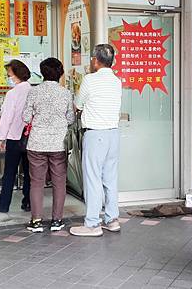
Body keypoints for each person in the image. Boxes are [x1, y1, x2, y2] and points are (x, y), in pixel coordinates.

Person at [70, 44, 122, 237]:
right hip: (113, 134)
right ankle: (112, 219)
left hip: (95, 134)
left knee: (92, 179)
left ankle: (92, 224)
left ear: (95, 60)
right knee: (110, 179)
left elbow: (77, 105)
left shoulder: (90, 80)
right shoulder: (117, 81)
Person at [22, 57, 75, 233]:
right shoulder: (66, 93)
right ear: (60, 73)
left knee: (36, 182)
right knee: (59, 182)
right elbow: (70, 119)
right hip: (58, 144)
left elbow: (26, 117)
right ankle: (56, 220)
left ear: (42, 73)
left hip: (36, 143)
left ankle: (36, 221)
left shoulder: (34, 92)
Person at [0, 60, 32, 213]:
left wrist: (2, 137)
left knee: (9, 173)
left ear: (15, 74)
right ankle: (28, 202)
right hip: (30, 137)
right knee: (29, 173)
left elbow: (7, 117)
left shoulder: (12, 93)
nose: (8, 75)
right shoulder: (33, 90)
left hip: (14, 138)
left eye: (9, 73)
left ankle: (3, 205)